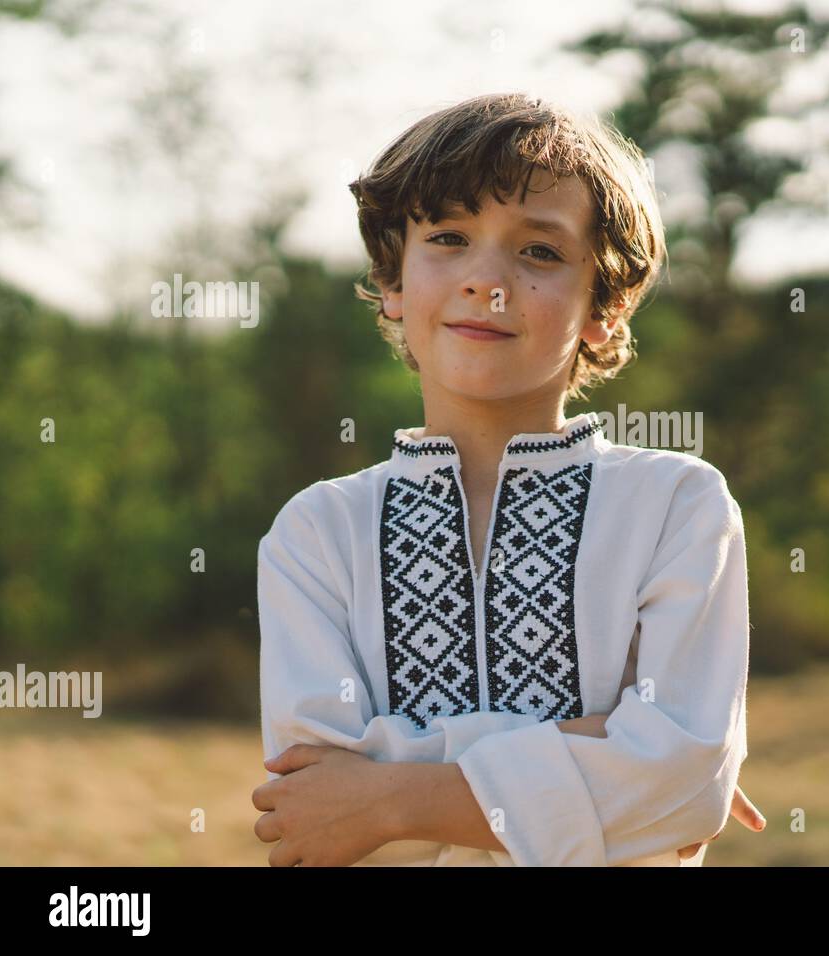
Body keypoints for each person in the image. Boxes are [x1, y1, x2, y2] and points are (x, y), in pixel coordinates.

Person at [251, 92, 764, 866]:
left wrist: (389, 796)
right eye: (449, 238)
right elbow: (317, 806)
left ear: (607, 306)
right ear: (393, 281)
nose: (486, 283)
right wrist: (610, 757)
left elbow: (685, 783)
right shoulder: (316, 533)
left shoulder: (676, 509)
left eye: (540, 253)